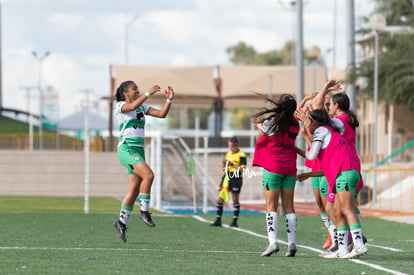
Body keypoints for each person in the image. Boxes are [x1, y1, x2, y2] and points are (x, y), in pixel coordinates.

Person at [296, 108, 368, 259]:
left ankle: (359, 244)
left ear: (314, 122)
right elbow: (326, 166)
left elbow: (311, 155)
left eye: (309, 120)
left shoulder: (321, 131)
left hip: (345, 173)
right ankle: (342, 249)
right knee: (337, 211)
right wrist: (308, 174)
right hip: (343, 173)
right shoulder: (332, 131)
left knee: (347, 209)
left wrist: (297, 145)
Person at [112, 80, 174, 242]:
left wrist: (169, 100)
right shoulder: (120, 106)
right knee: (149, 175)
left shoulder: (142, 106)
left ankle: (121, 222)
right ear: (126, 93)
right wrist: (148, 93)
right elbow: (131, 107)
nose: (137, 91)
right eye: (134, 89)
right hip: (127, 148)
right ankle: (144, 211)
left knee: (133, 189)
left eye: (138, 89)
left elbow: (162, 114)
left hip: (138, 150)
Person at [252, 93, 299, 257]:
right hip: (290, 168)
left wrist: (259, 126)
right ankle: (292, 243)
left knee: (271, 207)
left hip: (273, 167)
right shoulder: (296, 124)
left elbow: (259, 139)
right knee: (289, 207)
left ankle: (273, 243)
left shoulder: (271, 122)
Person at [210, 136, 247, 228]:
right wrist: (223, 163)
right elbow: (224, 169)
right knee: (220, 198)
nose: (230, 147)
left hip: (236, 177)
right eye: (229, 145)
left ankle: (234, 221)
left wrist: (230, 163)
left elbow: (241, 169)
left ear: (236, 145)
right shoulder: (228, 154)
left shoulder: (241, 154)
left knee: (235, 199)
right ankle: (218, 220)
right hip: (227, 177)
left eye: (231, 145)